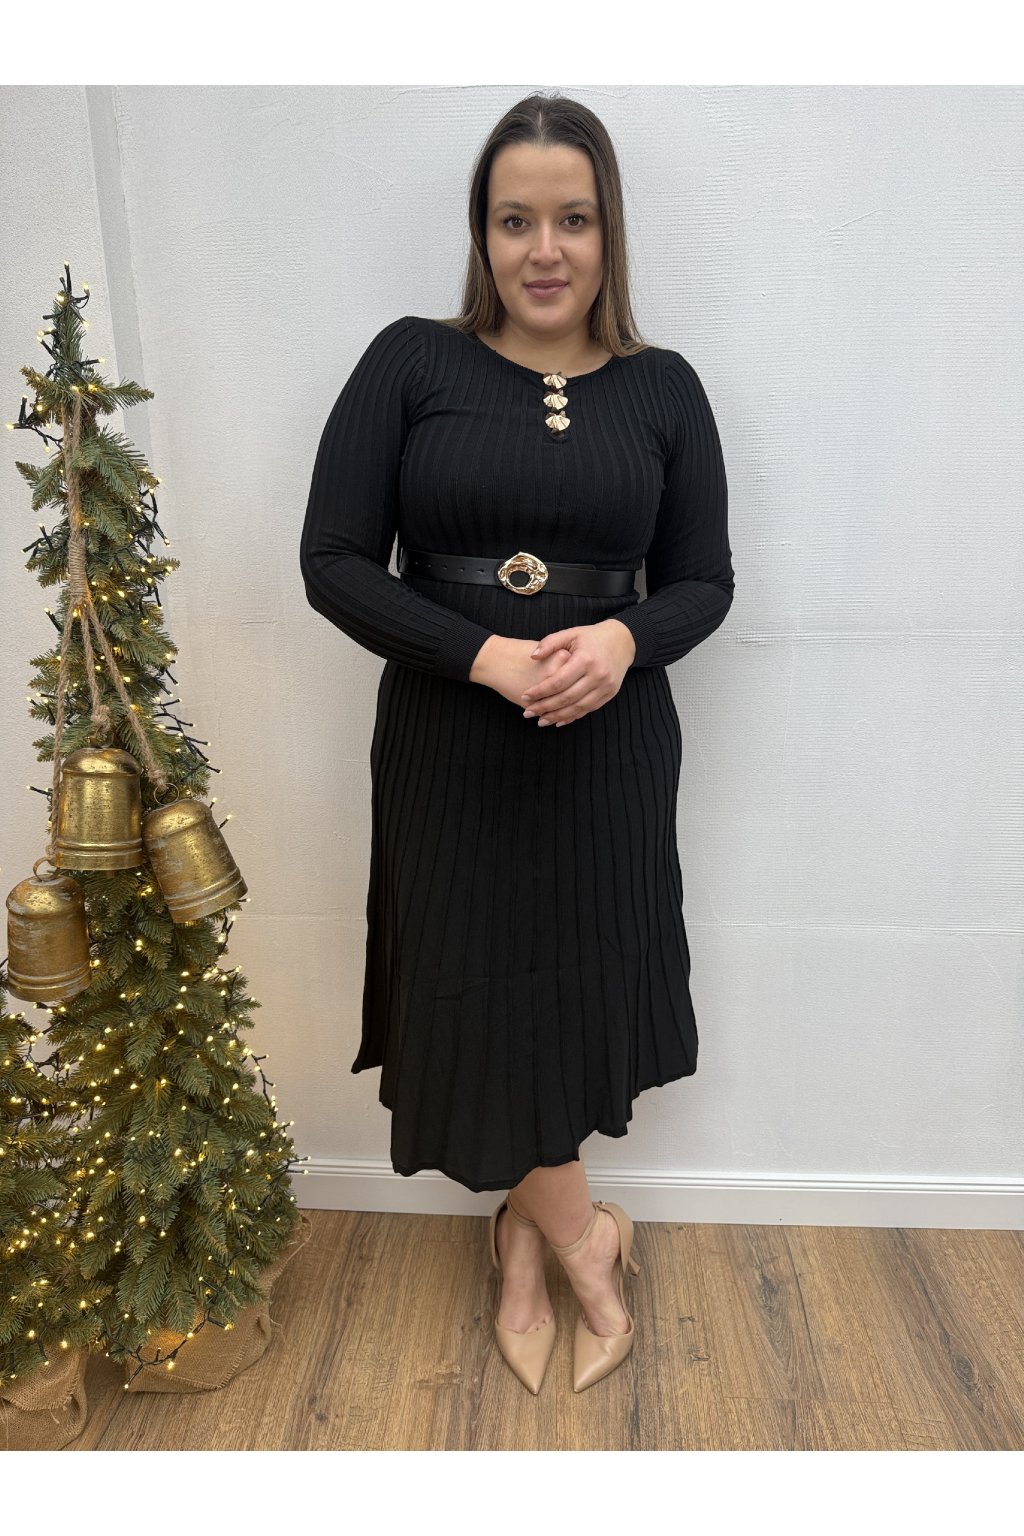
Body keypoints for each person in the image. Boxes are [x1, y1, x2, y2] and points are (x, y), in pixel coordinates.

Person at [299, 91, 734, 1396]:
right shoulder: (410, 363)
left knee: (574, 985)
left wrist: (626, 641)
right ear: (481, 234)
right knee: (475, 988)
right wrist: (481, 654)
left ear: (610, 233)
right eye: (515, 220)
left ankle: (524, 1241)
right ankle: (583, 1239)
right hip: (449, 740)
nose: (545, 249)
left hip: (608, 752)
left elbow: (705, 582)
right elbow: (333, 562)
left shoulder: (665, 389)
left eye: (574, 220)